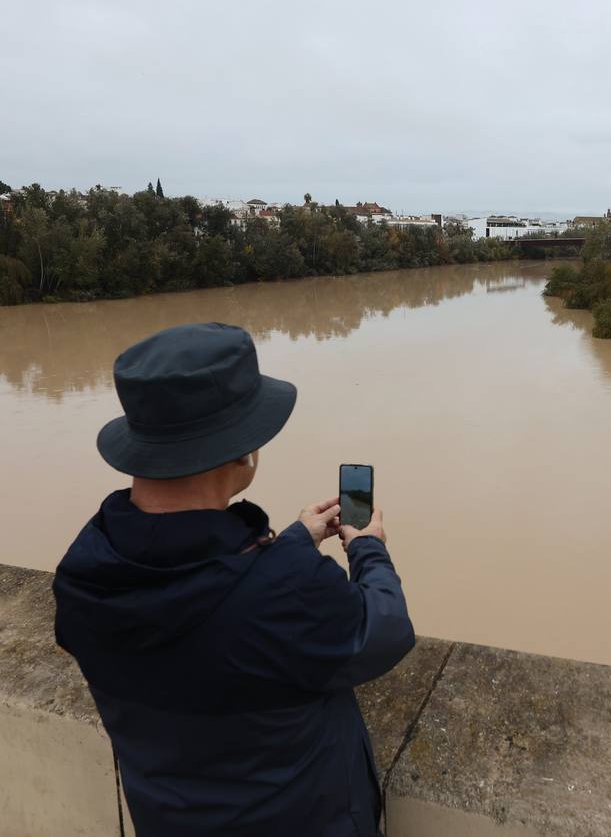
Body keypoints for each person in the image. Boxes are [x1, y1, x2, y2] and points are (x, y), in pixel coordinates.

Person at [53, 322, 414, 836]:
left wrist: (290, 543)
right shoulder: (284, 590)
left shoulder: (87, 571)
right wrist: (367, 547)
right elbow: (385, 631)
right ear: (242, 451)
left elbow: (206, 597)